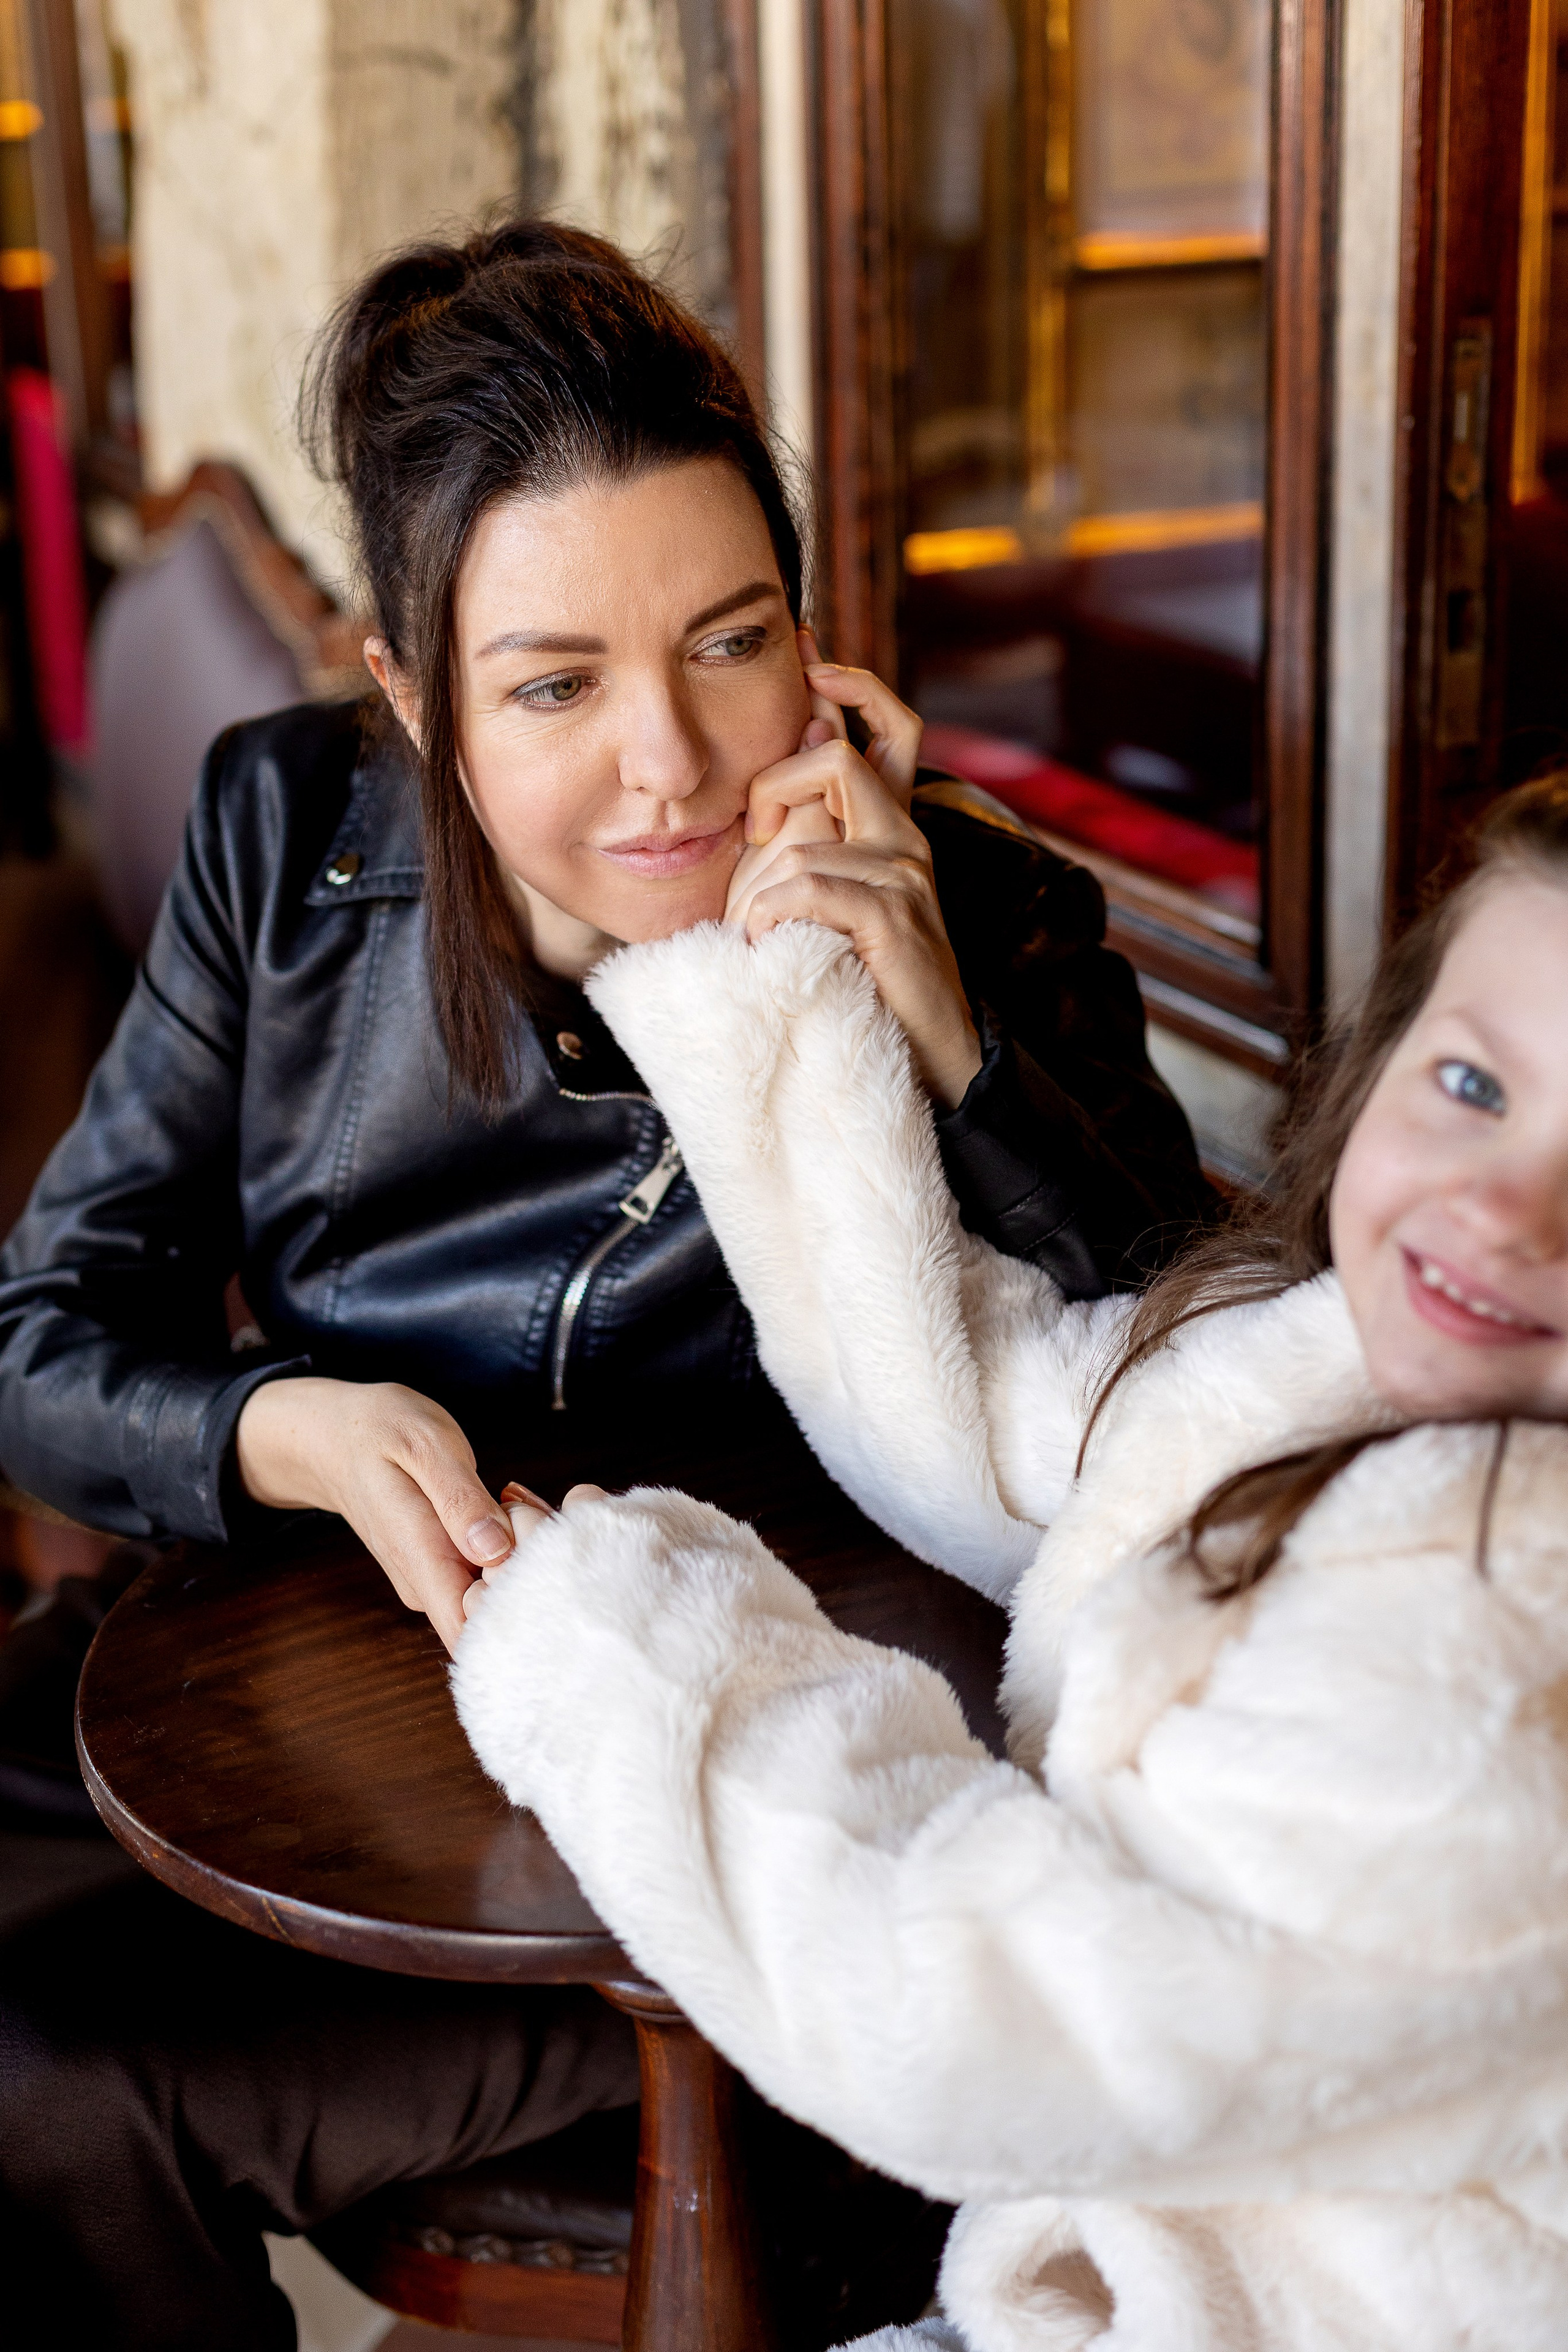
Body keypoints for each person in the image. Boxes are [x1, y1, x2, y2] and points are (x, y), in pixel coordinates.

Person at [0, 221, 1208, 2350]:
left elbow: (1176, 1378)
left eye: (730, 642)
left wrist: (941, 1032)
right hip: (300, 1714)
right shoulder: (286, 840)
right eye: (554, 683)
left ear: (811, 638)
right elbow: (38, 1340)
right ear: (413, 699)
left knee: (58, 2086)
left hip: (716, 1834)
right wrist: (291, 1425)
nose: (668, 762)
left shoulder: (990, 916)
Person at [456, 771, 1568, 2352]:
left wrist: (611, 1643)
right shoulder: (1351, 1361)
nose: (1504, 1202)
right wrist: (796, 1010)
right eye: (1474, 1084)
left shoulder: (1506, 1649)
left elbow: (976, 2017)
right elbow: (1011, 1430)